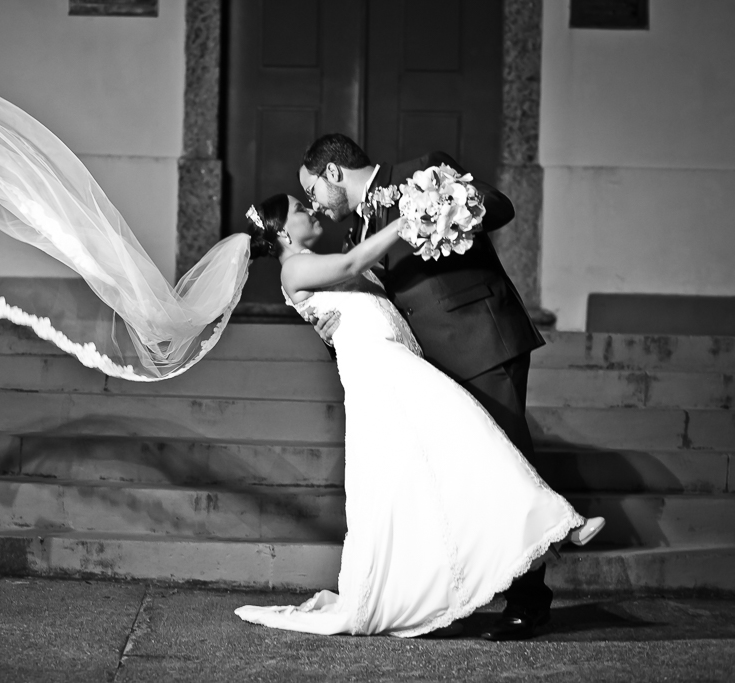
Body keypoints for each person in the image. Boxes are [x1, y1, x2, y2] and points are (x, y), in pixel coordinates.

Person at [233, 194, 602, 637]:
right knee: (469, 438)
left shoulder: (319, 258)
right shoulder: (294, 267)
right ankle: (555, 525)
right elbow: (352, 267)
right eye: (299, 209)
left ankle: (541, 529)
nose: (311, 211)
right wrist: (409, 219)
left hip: (396, 364)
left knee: (448, 462)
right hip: (380, 371)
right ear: (282, 232)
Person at [297, 133, 561, 640]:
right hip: (433, 366)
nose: (314, 206)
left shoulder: (423, 169)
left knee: (509, 464)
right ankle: (476, 590)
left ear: (333, 173)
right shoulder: (357, 237)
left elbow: (499, 207)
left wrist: (441, 207)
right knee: (470, 479)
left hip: (482, 340)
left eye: (312, 191)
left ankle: (530, 599)